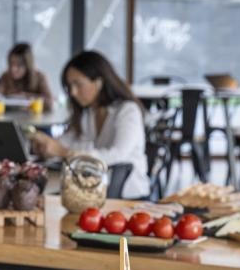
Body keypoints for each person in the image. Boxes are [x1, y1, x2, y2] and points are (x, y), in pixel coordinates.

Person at [30, 50, 150, 199]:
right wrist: (47, 146)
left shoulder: (128, 111)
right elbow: (68, 141)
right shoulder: (88, 113)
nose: (73, 92)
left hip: (129, 196)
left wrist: (63, 152)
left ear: (99, 82)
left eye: (78, 84)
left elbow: (118, 154)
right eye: (69, 86)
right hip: (95, 192)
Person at [0, 43, 54, 110]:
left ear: (28, 65)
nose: (13, 69)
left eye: (18, 65)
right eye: (11, 64)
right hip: (10, 115)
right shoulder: (6, 76)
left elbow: (50, 102)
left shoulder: (39, 77)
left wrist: (26, 96)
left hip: (34, 115)